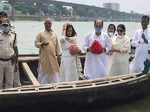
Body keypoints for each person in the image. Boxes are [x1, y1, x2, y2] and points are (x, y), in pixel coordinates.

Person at [35, 18, 62, 84]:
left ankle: (55, 85)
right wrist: (42, 44)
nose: (48, 25)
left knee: (54, 72)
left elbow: (57, 46)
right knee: (43, 72)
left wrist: (59, 55)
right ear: (44, 24)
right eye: (46, 23)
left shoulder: (54, 34)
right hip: (44, 57)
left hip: (53, 57)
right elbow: (36, 43)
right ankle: (42, 85)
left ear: (51, 24)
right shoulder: (40, 34)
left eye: (49, 23)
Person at [0, 22, 17, 89]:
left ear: (9, 26)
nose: (5, 27)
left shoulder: (14, 35)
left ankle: (8, 97)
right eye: (3, 25)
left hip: (10, 61)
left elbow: (15, 48)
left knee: (9, 82)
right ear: (1, 26)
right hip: (0, 61)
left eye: (6, 25)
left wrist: (16, 63)